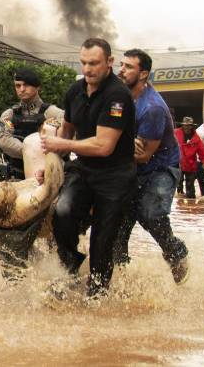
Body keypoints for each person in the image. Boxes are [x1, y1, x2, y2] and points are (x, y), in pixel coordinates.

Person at [42, 38, 137, 298]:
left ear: (109, 62)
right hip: (83, 169)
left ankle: (97, 298)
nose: (87, 69)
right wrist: (52, 163)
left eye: (93, 63)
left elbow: (104, 145)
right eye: (83, 63)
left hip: (115, 176)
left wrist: (61, 141)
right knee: (62, 212)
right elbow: (67, 130)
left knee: (102, 241)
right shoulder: (75, 91)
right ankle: (69, 268)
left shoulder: (118, 96)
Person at [112, 49, 189, 284]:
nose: (121, 70)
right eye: (121, 65)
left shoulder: (152, 108)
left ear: (143, 74)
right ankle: (119, 279)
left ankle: (176, 253)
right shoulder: (118, 99)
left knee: (151, 214)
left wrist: (115, 145)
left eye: (128, 67)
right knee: (116, 223)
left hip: (160, 167)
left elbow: (144, 155)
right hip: (129, 165)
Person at [0, 67, 65, 279]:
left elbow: (65, 136)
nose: (21, 90)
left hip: (47, 178)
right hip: (17, 178)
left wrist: (40, 150)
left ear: (37, 87)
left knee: (55, 222)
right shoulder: (9, 114)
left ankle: (59, 265)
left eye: (25, 85)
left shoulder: (54, 113)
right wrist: (29, 148)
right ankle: (20, 266)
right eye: (17, 86)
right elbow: (3, 140)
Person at [175, 117, 204, 199]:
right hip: (178, 164)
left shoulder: (196, 138)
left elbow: (202, 153)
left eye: (189, 126)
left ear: (192, 126)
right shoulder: (176, 133)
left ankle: (191, 207)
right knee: (179, 189)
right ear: (183, 125)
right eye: (185, 125)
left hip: (190, 165)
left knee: (190, 191)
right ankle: (180, 207)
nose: (187, 127)